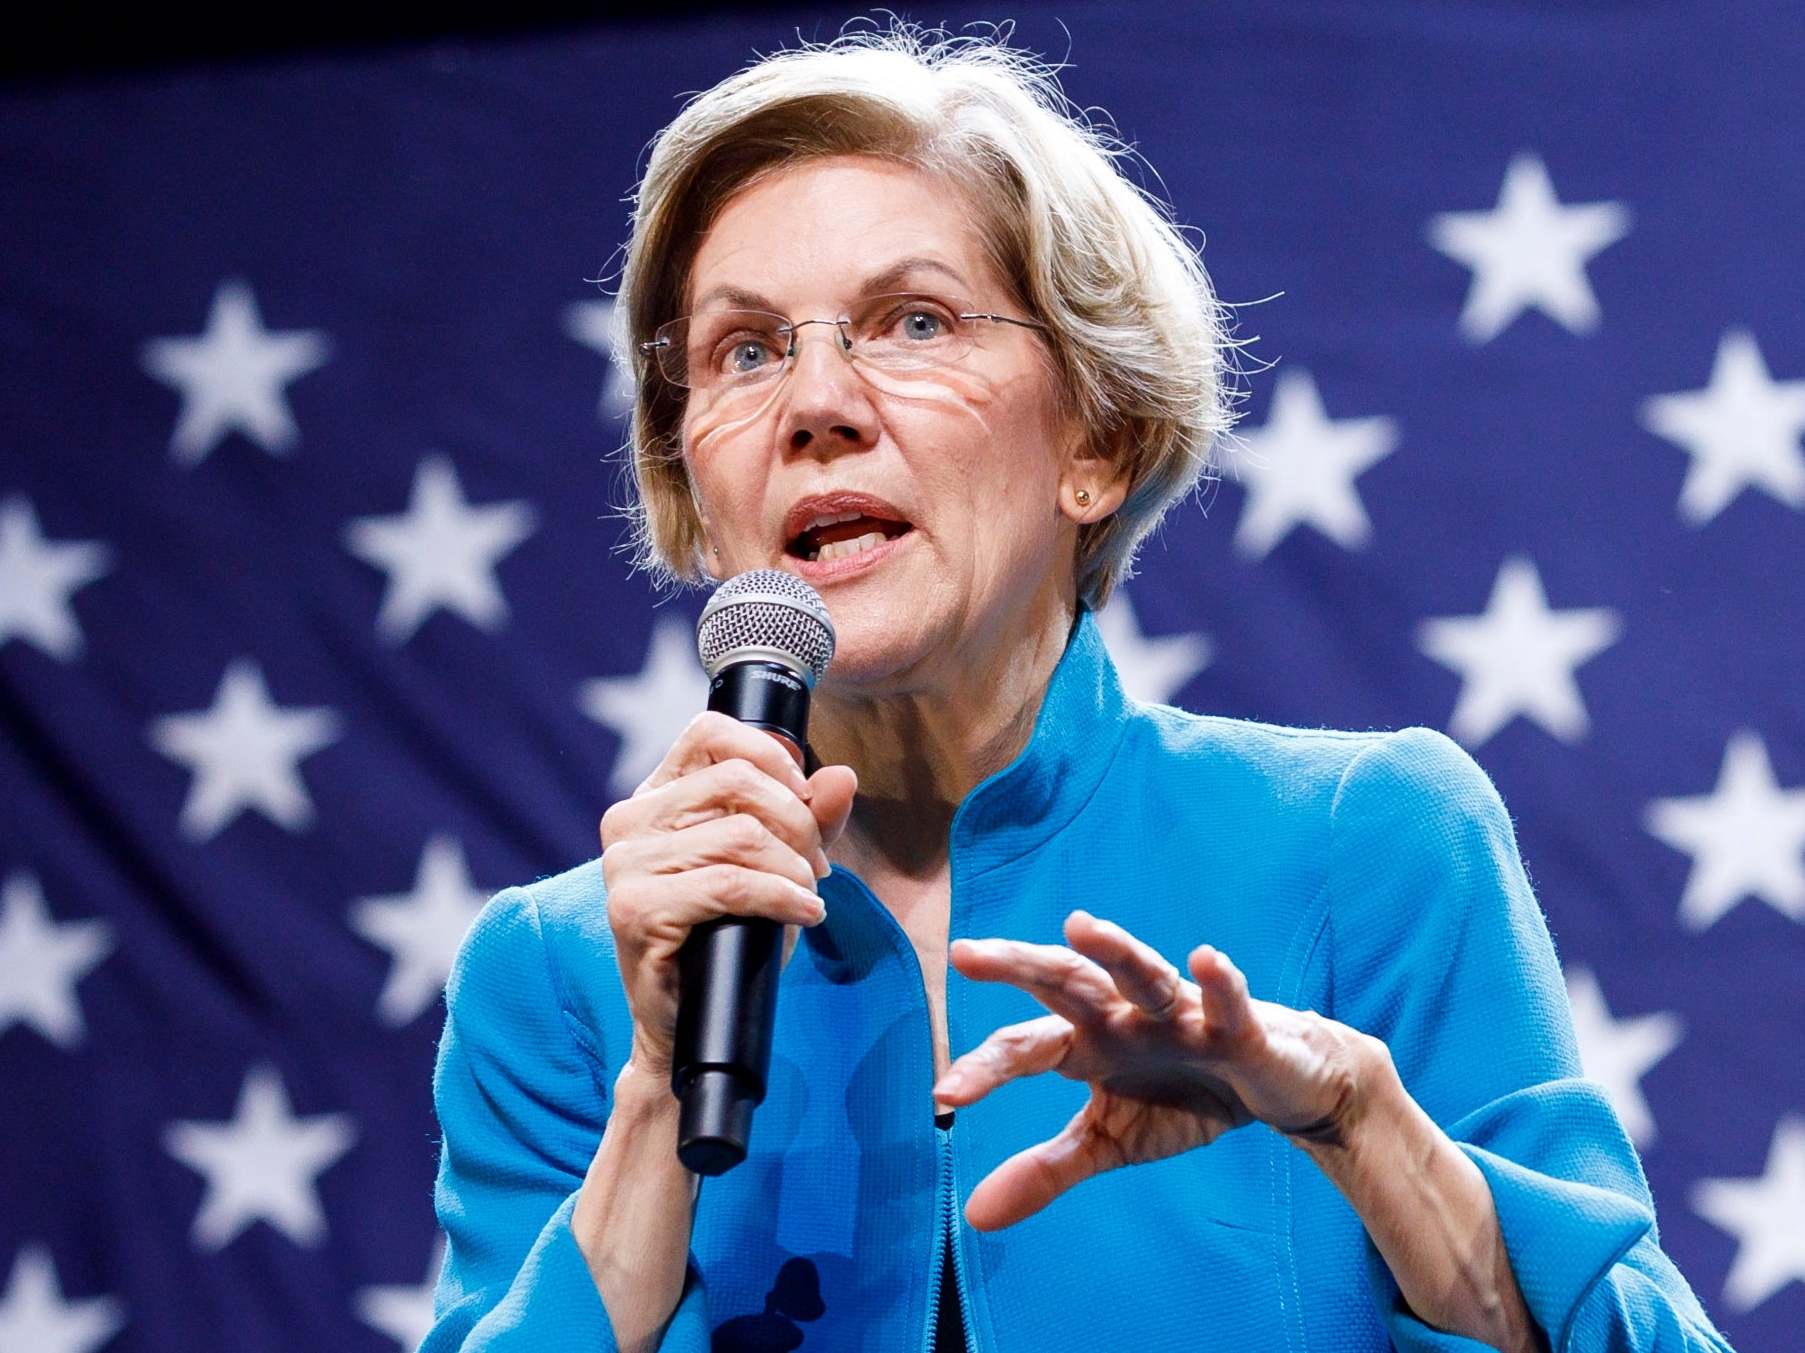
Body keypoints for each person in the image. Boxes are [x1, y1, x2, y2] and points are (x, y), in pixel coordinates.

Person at [422, 22, 1734, 1353]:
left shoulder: (1369, 842)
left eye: (911, 321)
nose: (813, 400)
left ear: (1096, 441)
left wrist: (1360, 1127)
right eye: (744, 350)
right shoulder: (557, 972)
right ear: (691, 490)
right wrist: (654, 1096)